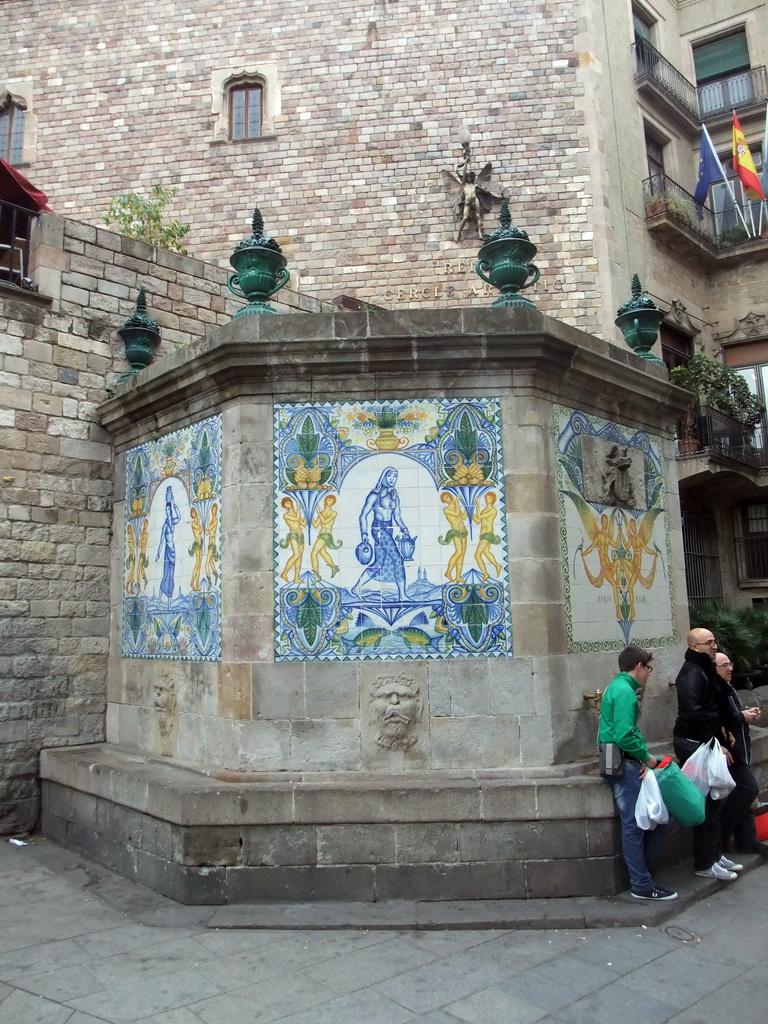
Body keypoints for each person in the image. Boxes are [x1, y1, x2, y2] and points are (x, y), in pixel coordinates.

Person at [599, 645, 677, 901]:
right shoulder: (625, 692)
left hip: (624, 762)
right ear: (639, 666)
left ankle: (642, 874)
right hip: (626, 764)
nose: (648, 675)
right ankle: (641, 883)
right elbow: (624, 734)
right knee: (636, 824)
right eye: (648, 669)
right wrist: (646, 757)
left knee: (645, 822)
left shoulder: (617, 687)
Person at [673, 628, 740, 880]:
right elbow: (694, 712)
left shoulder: (704, 670)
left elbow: (712, 707)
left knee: (714, 799)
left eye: (714, 641)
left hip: (704, 741)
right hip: (695, 744)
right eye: (708, 642)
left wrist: (722, 731)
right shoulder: (691, 673)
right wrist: (714, 742)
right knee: (706, 802)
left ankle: (714, 855)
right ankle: (705, 862)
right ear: (694, 647)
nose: (714, 646)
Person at [713, 652, 766, 856]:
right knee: (748, 788)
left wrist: (746, 715)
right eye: (724, 665)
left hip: (741, 748)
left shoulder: (728, 688)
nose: (730, 668)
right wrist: (741, 716)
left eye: (730, 663)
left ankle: (747, 839)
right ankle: (722, 834)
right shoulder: (715, 690)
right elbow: (719, 719)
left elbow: (733, 716)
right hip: (730, 751)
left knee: (745, 793)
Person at [353, 467, 412, 601]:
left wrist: (404, 528)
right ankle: (402, 595)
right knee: (397, 558)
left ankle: (356, 588)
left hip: (389, 528)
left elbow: (397, 516)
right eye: (390, 476)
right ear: (384, 477)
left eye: (395, 476)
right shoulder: (375, 495)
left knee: (379, 563)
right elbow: (363, 516)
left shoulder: (394, 496)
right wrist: (364, 533)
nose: (392, 479)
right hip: (378, 529)